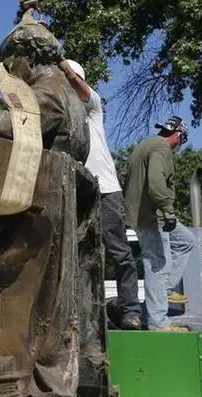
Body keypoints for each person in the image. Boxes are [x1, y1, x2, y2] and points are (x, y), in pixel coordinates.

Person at [59, 59, 143, 330]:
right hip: (77, 193)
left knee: (119, 252)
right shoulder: (60, 120)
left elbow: (78, 85)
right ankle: (78, 312)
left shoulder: (92, 109)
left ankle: (131, 310)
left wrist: (60, 63)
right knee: (77, 254)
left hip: (106, 191)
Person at [124, 115, 194, 332]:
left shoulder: (144, 145)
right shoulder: (162, 149)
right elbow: (155, 183)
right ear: (178, 136)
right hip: (153, 217)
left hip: (142, 214)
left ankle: (163, 290)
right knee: (158, 265)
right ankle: (158, 323)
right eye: (181, 141)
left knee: (186, 241)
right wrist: (168, 210)